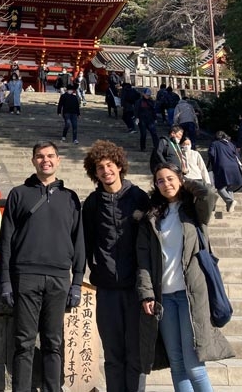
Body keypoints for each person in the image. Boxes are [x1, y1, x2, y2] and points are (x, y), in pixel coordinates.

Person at [137, 163, 234, 391]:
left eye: (170, 179)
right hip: (165, 298)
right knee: (177, 365)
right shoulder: (152, 217)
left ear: (180, 179)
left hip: (191, 295)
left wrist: (185, 181)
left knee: (194, 366)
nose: (165, 184)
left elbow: (209, 192)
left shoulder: (194, 209)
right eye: (160, 181)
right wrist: (146, 293)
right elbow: (143, 261)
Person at [0, 141, 85, 392]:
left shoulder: (70, 197)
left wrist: (77, 281)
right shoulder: (18, 193)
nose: (45, 160)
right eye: (39, 156)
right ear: (33, 161)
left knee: (53, 342)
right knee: (24, 342)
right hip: (25, 275)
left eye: (50, 156)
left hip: (59, 277)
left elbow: (78, 240)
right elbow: (6, 240)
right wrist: (5, 280)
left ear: (58, 160)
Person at [82, 141, 150, 392]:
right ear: (94, 172)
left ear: (119, 166)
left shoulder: (139, 198)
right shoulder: (91, 203)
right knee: (112, 353)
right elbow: (86, 241)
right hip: (107, 287)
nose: (106, 171)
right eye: (100, 168)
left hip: (136, 287)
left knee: (136, 353)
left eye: (109, 165)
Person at [208, 131, 242, 213]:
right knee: (229, 186)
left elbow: (212, 155)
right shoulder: (231, 144)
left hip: (222, 166)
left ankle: (230, 201)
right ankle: (230, 207)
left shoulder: (214, 144)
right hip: (234, 167)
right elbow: (237, 155)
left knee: (219, 186)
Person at [135, 88, 158, 152]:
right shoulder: (139, 101)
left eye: (148, 95)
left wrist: (155, 118)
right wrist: (137, 118)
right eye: (146, 95)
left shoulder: (151, 101)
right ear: (143, 94)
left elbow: (153, 110)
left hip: (150, 119)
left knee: (154, 133)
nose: (148, 96)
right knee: (143, 134)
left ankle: (156, 146)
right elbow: (136, 110)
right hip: (142, 120)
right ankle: (143, 147)